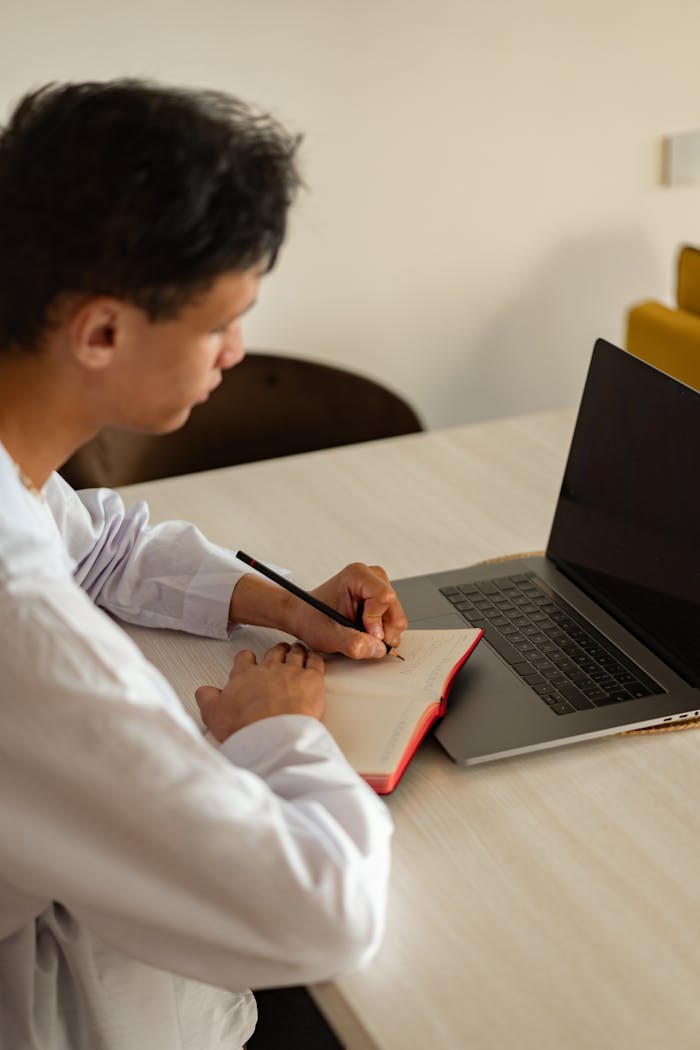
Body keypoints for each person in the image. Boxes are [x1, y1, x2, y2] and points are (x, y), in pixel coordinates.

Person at [0, 80, 407, 1049]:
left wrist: (289, 605)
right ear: (100, 332)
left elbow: (96, 544)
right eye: (222, 321)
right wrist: (279, 734)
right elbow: (326, 914)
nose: (237, 351)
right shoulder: (24, 644)